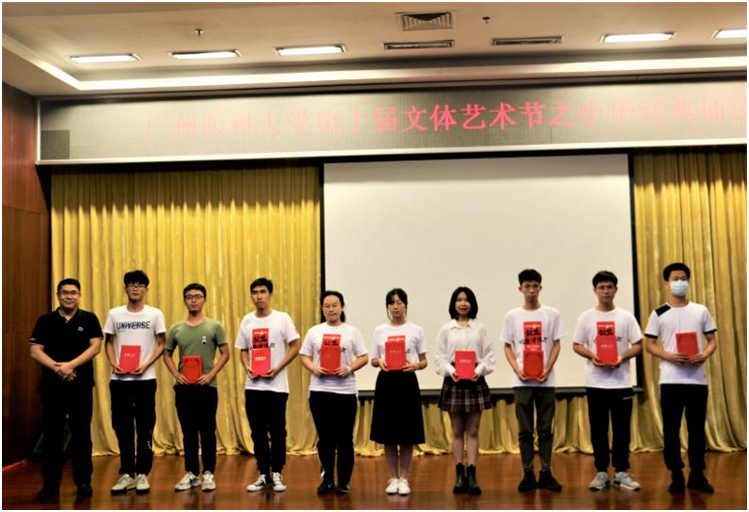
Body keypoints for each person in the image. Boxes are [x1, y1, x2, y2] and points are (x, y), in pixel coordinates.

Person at [644, 262, 717, 494]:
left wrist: (705, 354)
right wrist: (668, 355)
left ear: (689, 281)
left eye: (683, 278)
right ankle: (676, 474)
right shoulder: (659, 312)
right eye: (675, 279)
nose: (679, 282)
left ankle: (697, 475)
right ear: (666, 284)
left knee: (697, 430)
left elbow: (712, 341)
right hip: (670, 380)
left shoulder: (700, 310)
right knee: (671, 430)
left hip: (697, 380)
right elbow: (649, 344)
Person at [29, 278, 103, 500]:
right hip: (52, 387)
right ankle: (50, 485)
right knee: (53, 435)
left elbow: (95, 347)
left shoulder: (89, 319)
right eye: (64, 292)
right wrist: (58, 368)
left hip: (81, 385)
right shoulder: (45, 320)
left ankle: (84, 482)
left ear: (79, 295)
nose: (69, 296)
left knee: (82, 435)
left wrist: (70, 365)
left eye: (73, 292)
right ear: (58, 295)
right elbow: (35, 350)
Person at [572, 271, 643, 491]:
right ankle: (601, 472)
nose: (606, 291)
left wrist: (622, 357)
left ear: (616, 290)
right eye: (601, 287)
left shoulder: (626, 317)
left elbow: (638, 345)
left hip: (621, 383)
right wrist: (592, 355)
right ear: (595, 290)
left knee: (622, 430)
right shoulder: (586, 317)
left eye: (610, 287)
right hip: (596, 383)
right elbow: (576, 345)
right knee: (598, 430)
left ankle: (621, 472)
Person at [501, 269, 565, 492]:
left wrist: (548, 368)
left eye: (535, 286)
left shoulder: (551, 314)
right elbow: (507, 346)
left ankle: (546, 472)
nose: (531, 290)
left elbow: (556, 344)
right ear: (520, 289)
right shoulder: (512, 316)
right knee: (525, 431)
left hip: (546, 381)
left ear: (540, 288)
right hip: (522, 382)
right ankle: (527, 473)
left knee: (546, 429)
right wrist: (517, 368)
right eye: (527, 286)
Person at [104, 270, 166, 494]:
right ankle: (126, 473)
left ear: (146, 289)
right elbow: (108, 342)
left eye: (140, 285)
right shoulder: (115, 314)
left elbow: (162, 343)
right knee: (122, 426)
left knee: (144, 426)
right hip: (120, 380)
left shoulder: (155, 314)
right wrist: (113, 363)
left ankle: (142, 474)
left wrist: (147, 364)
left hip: (145, 379)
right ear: (125, 289)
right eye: (131, 284)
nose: (135, 288)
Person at [300, 290, 369, 495]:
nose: (331, 309)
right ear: (322, 308)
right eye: (327, 306)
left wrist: (348, 368)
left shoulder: (352, 332)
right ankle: (327, 479)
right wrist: (313, 368)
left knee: (345, 439)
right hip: (320, 391)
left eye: (335, 305)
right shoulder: (314, 332)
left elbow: (364, 357)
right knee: (325, 439)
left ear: (342, 307)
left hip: (346, 393)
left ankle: (344, 481)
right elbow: (304, 356)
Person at [236, 278, 300, 493]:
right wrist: (247, 366)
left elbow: (295, 346)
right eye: (255, 292)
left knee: (278, 431)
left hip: (277, 386)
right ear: (251, 296)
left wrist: (278, 367)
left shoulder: (282, 318)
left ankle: (277, 472)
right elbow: (243, 350)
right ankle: (263, 473)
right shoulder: (247, 320)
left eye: (263, 292)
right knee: (258, 432)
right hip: (254, 386)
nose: (259, 296)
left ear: (271, 295)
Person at [164, 283, 230, 492]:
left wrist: (211, 374)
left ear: (205, 300)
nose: (194, 300)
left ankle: (208, 473)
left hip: (207, 387)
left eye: (198, 296)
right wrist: (176, 375)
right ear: (184, 300)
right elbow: (166, 354)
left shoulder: (214, 326)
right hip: (184, 388)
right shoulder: (176, 328)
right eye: (189, 297)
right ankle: (192, 473)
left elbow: (226, 353)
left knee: (207, 431)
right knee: (188, 432)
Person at [434, 286, 494, 495]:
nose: (463, 303)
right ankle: (459, 474)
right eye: (459, 299)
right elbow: (439, 357)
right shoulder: (446, 329)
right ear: (453, 304)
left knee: (474, 430)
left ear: (472, 303)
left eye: (466, 299)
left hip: (475, 380)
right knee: (457, 430)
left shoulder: (480, 328)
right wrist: (452, 371)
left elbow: (489, 356)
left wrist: (478, 370)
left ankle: (472, 474)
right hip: (454, 380)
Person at [369, 288, 428, 496]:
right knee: (389, 434)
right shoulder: (379, 330)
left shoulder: (416, 330)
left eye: (400, 302)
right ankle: (393, 477)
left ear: (405, 305)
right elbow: (373, 360)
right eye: (392, 303)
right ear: (387, 306)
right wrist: (380, 361)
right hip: (386, 382)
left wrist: (416, 365)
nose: (396, 306)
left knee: (407, 434)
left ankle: (404, 478)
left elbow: (424, 361)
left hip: (407, 382)